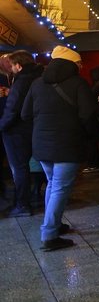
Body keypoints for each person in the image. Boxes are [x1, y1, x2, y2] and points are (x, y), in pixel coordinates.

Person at [22, 46, 96, 251]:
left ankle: (54, 224)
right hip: (68, 145)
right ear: (72, 64)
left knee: (53, 185)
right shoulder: (78, 84)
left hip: (41, 146)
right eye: (79, 63)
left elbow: (25, 114)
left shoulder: (37, 84)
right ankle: (49, 234)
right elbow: (88, 115)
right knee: (60, 188)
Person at [0, 50, 43, 217]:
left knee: (19, 168)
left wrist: (2, 125)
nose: (10, 68)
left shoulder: (21, 81)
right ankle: (32, 197)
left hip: (17, 131)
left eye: (11, 65)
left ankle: (22, 205)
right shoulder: (38, 77)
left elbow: (13, 109)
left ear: (18, 65)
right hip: (34, 128)